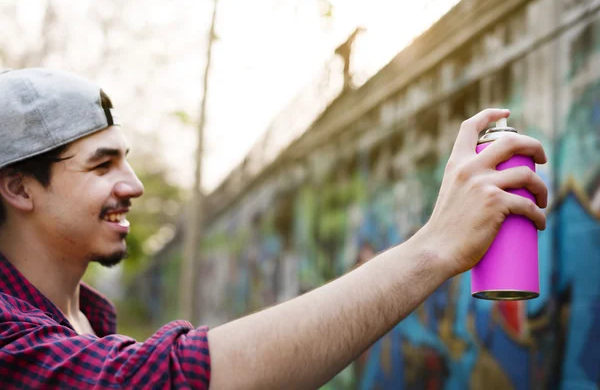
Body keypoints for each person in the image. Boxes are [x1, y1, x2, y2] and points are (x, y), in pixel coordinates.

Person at [0, 68, 548, 389]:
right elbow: (170, 378)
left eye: (127, 159)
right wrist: (433, 249)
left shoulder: (89, 320)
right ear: (20, 188)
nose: (135, 185)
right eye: (102, 165)